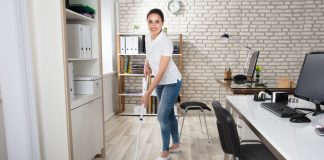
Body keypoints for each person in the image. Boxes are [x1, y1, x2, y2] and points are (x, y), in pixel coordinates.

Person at [141, 8, 182, 160]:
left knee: (161, 116)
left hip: (172, 81)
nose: (153, 25)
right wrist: (146, 64)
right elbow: (149, 53)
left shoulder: (166, 42)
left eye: (157, 21)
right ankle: (176, 142)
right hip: (161, 82)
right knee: (169, 113)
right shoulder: (148, 37)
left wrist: (146, 94)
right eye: (150, 21)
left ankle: (165, 150)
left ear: (162, 23)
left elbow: (161, 73)